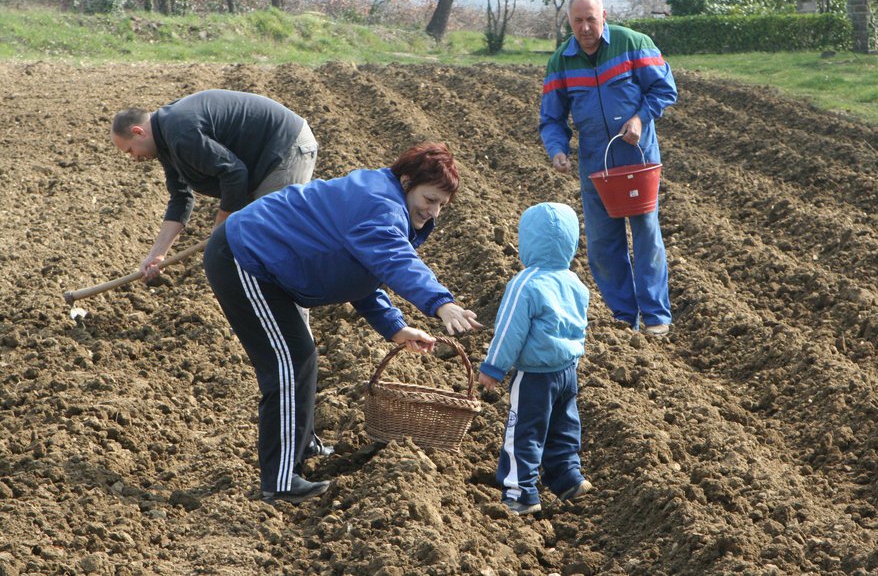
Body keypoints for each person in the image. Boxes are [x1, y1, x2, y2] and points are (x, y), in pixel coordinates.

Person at [203, 141, 482, 504]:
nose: (434, 212)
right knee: (289, 363)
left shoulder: (387, 204)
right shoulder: (378, 203)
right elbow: (396, 261)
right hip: (245, 257)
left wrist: (396, 328)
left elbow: (361, 275)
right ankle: (281, 479)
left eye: (442, 205)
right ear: (407, 179)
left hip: (270, 266)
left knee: (300, 356)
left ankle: (300, 447)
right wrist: (440, 303)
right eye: (430, 200)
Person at [539, 0, 678, 336]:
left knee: (646, 234)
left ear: (604, 16)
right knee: (603, 242)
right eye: (578, 21)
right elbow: (551, 118)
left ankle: (656, 316)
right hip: (594, 162)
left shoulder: (633, 44)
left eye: (591, 19)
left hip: (637, 157)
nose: (585, 27)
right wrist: (557, 149)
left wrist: (640, 118)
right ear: (569, 22)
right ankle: (623, 315)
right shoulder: (561, 62)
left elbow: (664, 89)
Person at [110, 89, 318, 282]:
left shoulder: (181, 132)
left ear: (138, 132)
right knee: (252, 247)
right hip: (263, 160)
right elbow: (181, 197)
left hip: (285, 148)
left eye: (130, 151)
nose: (134, 158)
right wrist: (157, 254)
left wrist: (219, 229)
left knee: (270, 247)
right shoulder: (165, 139)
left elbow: (234, 173)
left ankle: (289, 318)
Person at [477, 202, 591, 515]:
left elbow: (509, 332)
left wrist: (493, 368)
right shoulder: (575, 283)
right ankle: (568, 477)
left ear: (527, 241)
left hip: (535, 376)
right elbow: (577, 327)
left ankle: (520, 493)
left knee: (524, 431)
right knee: (563, 426)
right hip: (568, 373)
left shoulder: (525, 284)